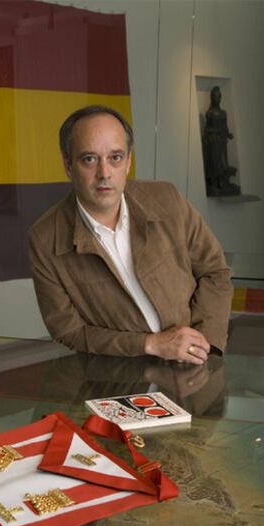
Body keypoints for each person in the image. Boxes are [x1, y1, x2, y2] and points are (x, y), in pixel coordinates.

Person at [28, 106, 233, 364]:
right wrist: (150, 345)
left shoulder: (167, 200)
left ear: (128, 161)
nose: (104, 173)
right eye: (89, 159)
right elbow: (68, 331)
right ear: (68, 165)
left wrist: (201, 346)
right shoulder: (45, 238)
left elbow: (215, 272)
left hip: (193, 366)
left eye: (115, 157)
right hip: (118, 376)